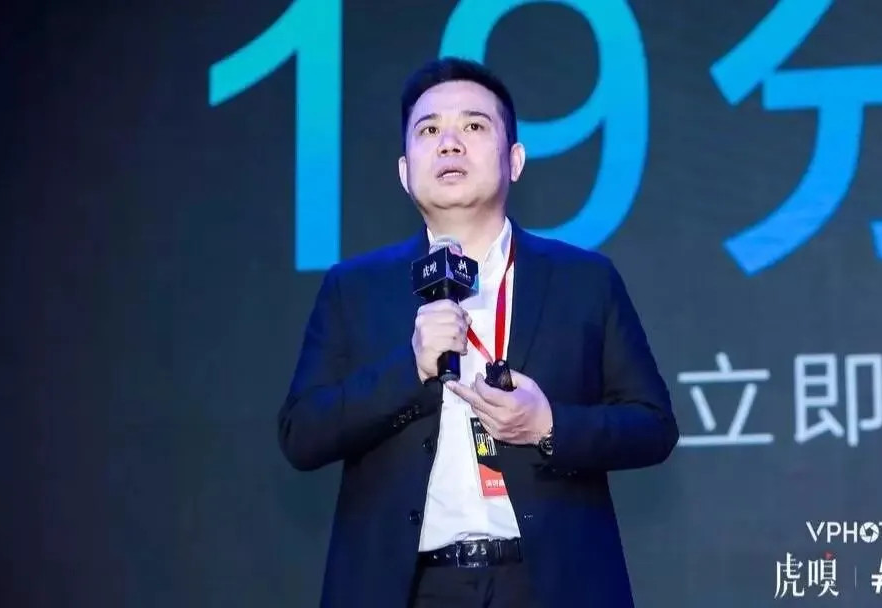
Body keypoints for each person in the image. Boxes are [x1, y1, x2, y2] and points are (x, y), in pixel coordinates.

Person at [278, 57, 679, 608]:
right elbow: (301, 434)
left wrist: (548, 425)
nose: (449, 143)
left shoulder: (584, 280)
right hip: (408, 589)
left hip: (550, 585)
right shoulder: (354, 287)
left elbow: (653, 426)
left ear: (514, 160)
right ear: (404, 171)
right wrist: (409, 370)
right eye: (429, 131)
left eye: (473, 125)